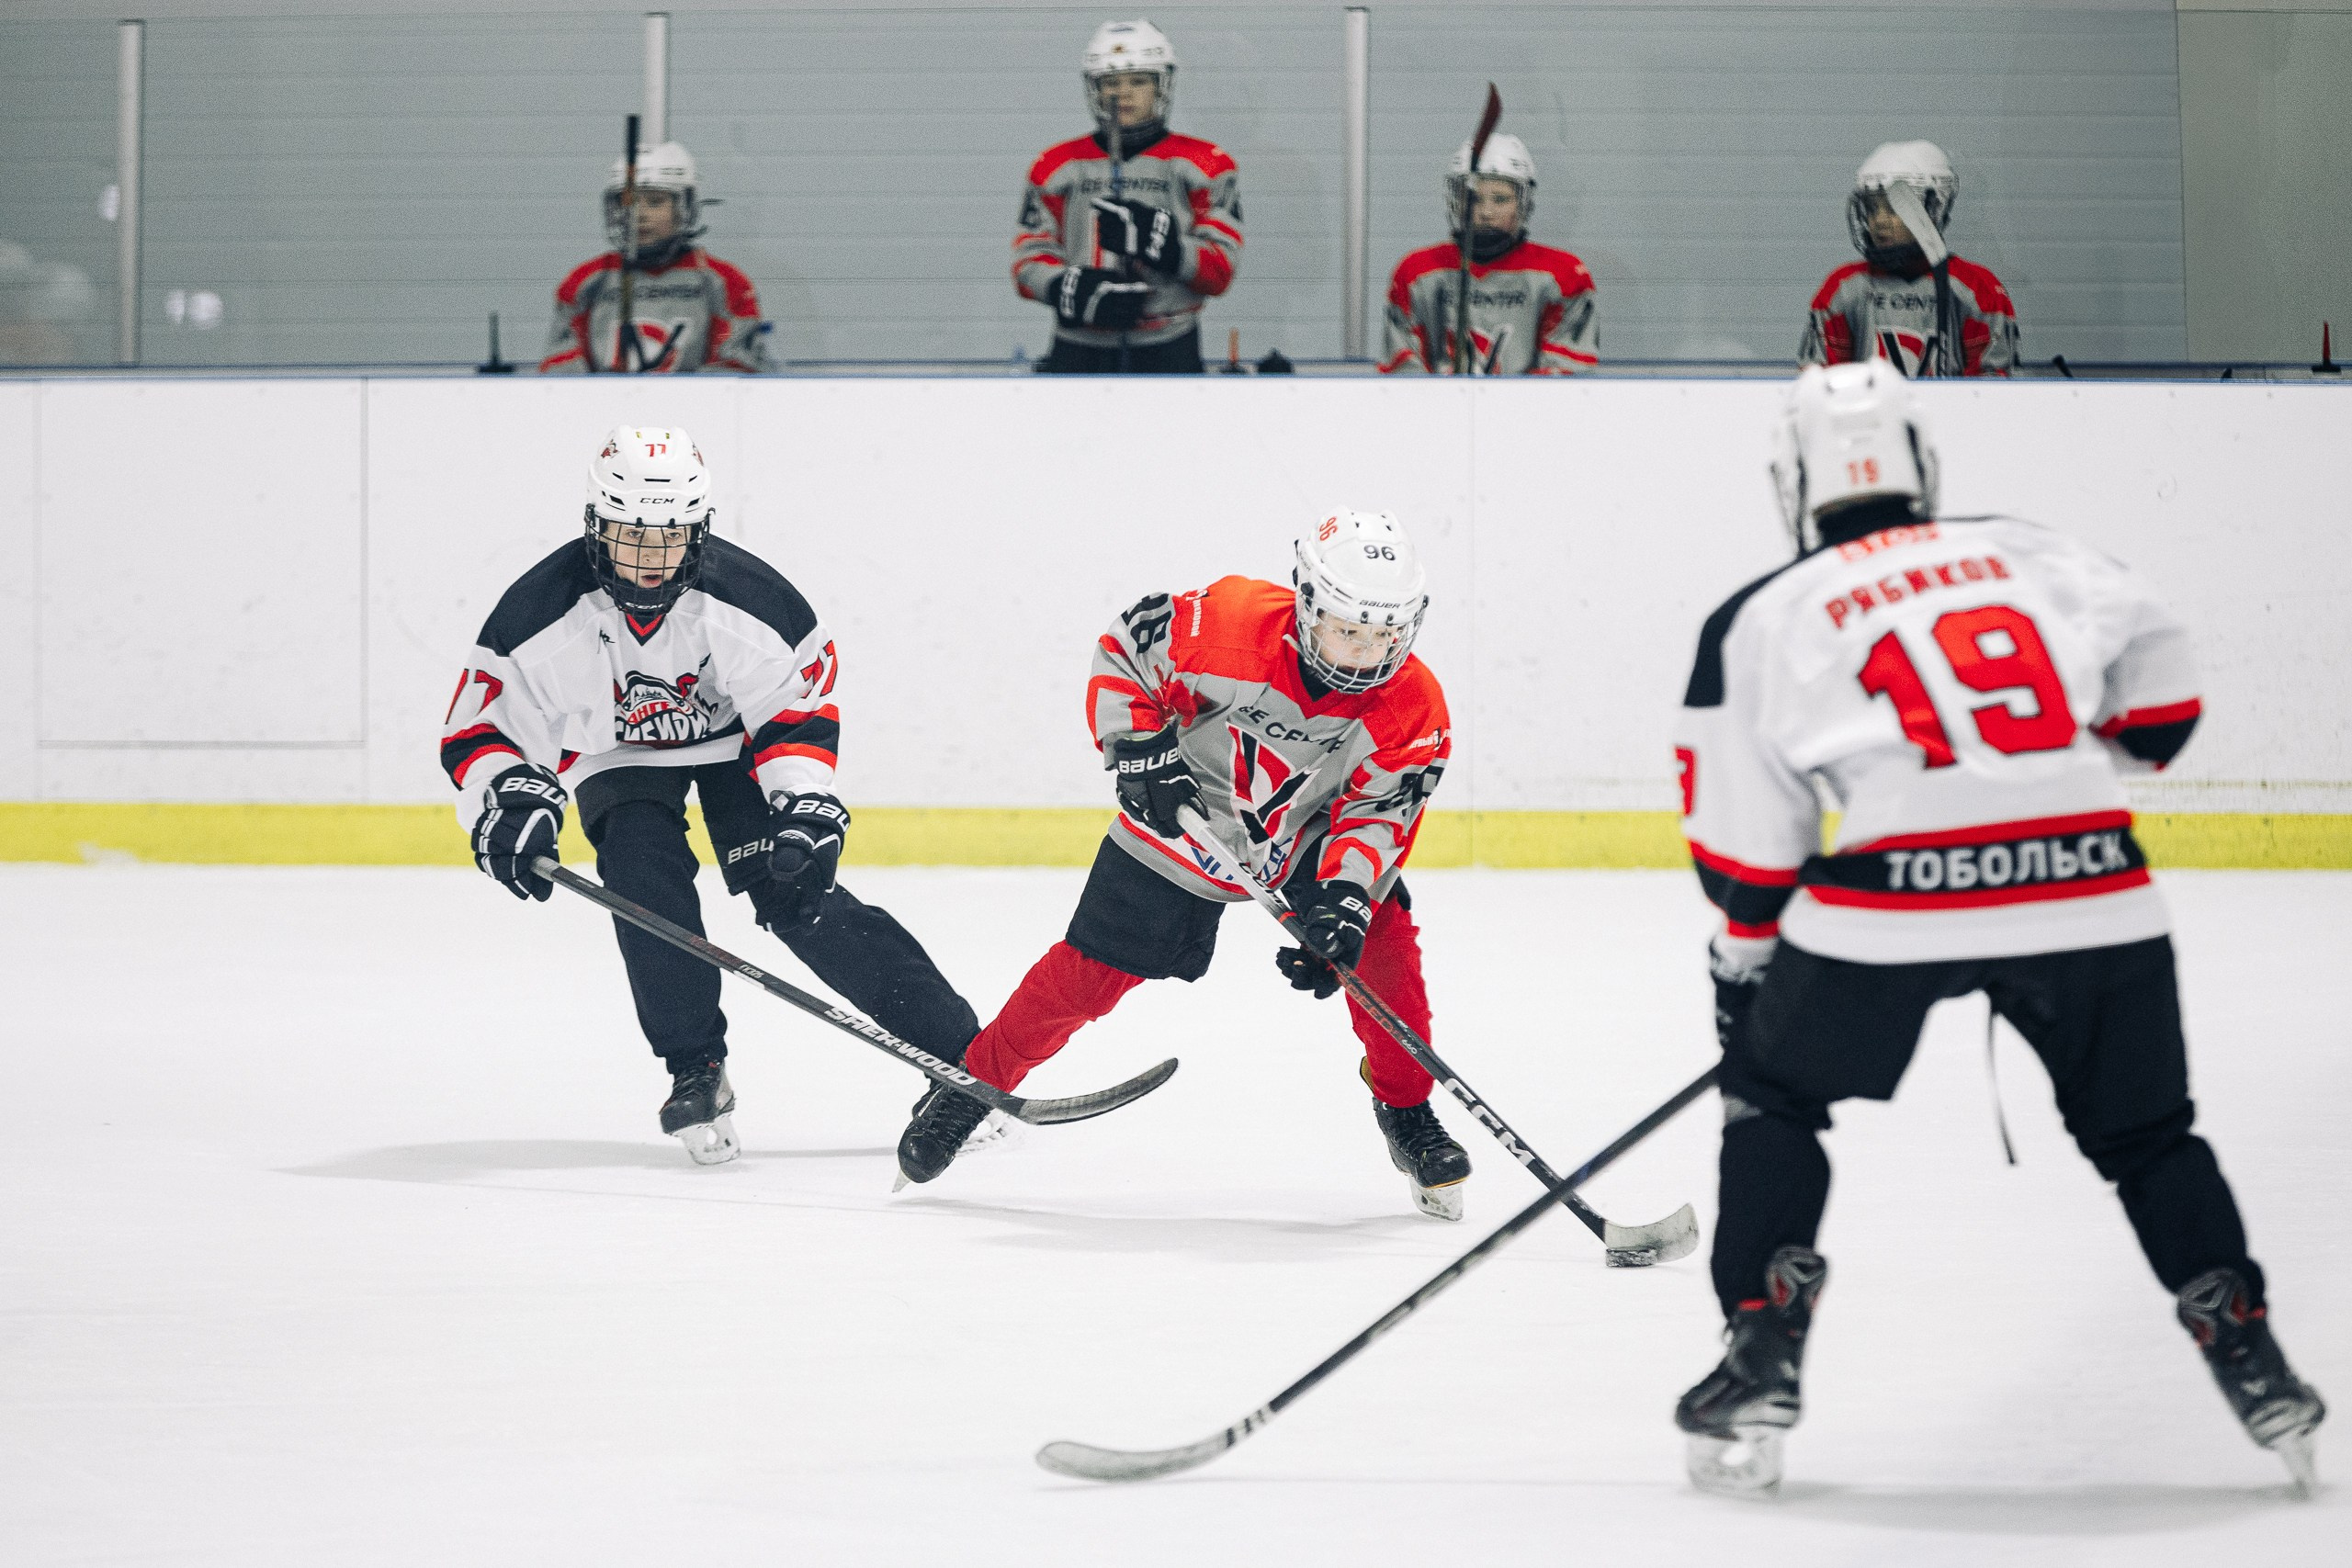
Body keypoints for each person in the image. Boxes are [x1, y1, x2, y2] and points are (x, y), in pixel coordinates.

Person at [1668, 362, 2324, 1496]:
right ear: (1922, 464)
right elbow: (2163, 709)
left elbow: (1748, 855)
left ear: (1793, 482)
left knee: (1771, 1098)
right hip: (2091, 885)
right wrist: (2078, 763)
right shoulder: (2033, 548)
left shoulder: (1762, 612)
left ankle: (1761, 1350)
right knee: (2149, 1137)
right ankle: (2251, 1354)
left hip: (1889, 900)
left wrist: (1746, 967)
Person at [894, 511, 1469, 1218]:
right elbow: (1126, 652)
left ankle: (1406, 1109)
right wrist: (1139, 747)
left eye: (1386, 635)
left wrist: (1347, 897)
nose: (1367, 655)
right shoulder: (1228, 625)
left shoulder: (1414, 704)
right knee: (1087, 973)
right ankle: (969, 1087)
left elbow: (1379, 812)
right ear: (1308, 604)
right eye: (1350, 630)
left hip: (1303, 836)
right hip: (1187, 809)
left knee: (1380, 946)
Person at [443, 424, 980, 1163]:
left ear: (699, 530)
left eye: (669, 538)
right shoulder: (539, 610)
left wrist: (803, 803)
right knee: (641, 881)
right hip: (616, 749)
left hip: (736, 742)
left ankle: (963, 1054)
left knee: (797, 891)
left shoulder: (749, 601)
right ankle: (695, 1067)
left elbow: (793, 708)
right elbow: (486, 724)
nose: (650, 558)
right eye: (631, 536)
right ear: (596, 527)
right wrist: (510, 800)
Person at [1011, 19, 1243, 374]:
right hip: (1078, 345)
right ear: (1094, 88)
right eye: (1111, 82)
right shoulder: (1056, 165)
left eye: (1138, 81)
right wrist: (1068, 288)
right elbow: (1027, 260)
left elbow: (1221, 270)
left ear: (1162, 85)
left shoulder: (1206, 165)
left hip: (1168, 342)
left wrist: (1169, 248)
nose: (1123, 94)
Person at [539, 142, 773, 375]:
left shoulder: (724, 282)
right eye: (628, 202)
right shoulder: (585, 282)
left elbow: (737, 368)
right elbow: (561, 368)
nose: (639, 214)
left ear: (684, 207)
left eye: (655, 202)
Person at [1379, 135, 1597, 375]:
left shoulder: (1563, 276)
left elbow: (1567, 376)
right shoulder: (1417, 273)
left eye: (1500, 199)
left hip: (1529, 402)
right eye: (1473, 198)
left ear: (1523, 203)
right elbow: (1403, 374)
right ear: (1456, 202)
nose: (1486, 212)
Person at [1799, 141, 2017, 378]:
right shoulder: (1843, 288)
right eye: (1872, 208)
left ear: (1934, 207)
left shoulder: (1978, 289)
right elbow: (1821, 383)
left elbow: (1991, 387)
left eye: (1894, 208)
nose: (1880, 221)